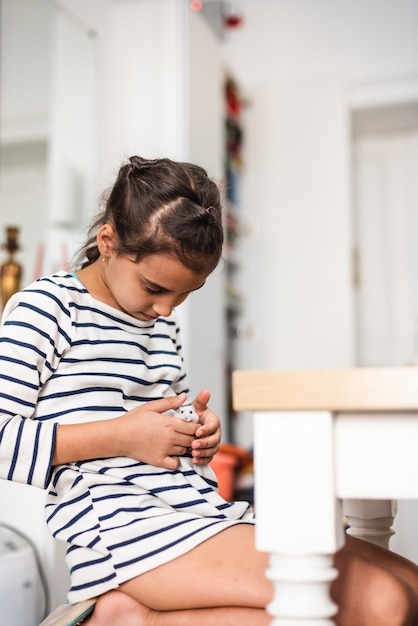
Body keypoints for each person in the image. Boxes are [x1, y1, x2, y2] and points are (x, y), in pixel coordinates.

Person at [0, 155, 417, 626]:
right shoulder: (46, 308)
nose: (165, 310)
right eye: (154, 287)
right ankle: (123, 610)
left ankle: (129, 617)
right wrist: (123, 436)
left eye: (184, 295)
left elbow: (160, 431)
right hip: (122, 529)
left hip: (197, 508)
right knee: (384, 602)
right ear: (108, 242)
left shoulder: (159, 325)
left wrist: (197, 435)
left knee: (410, 587)